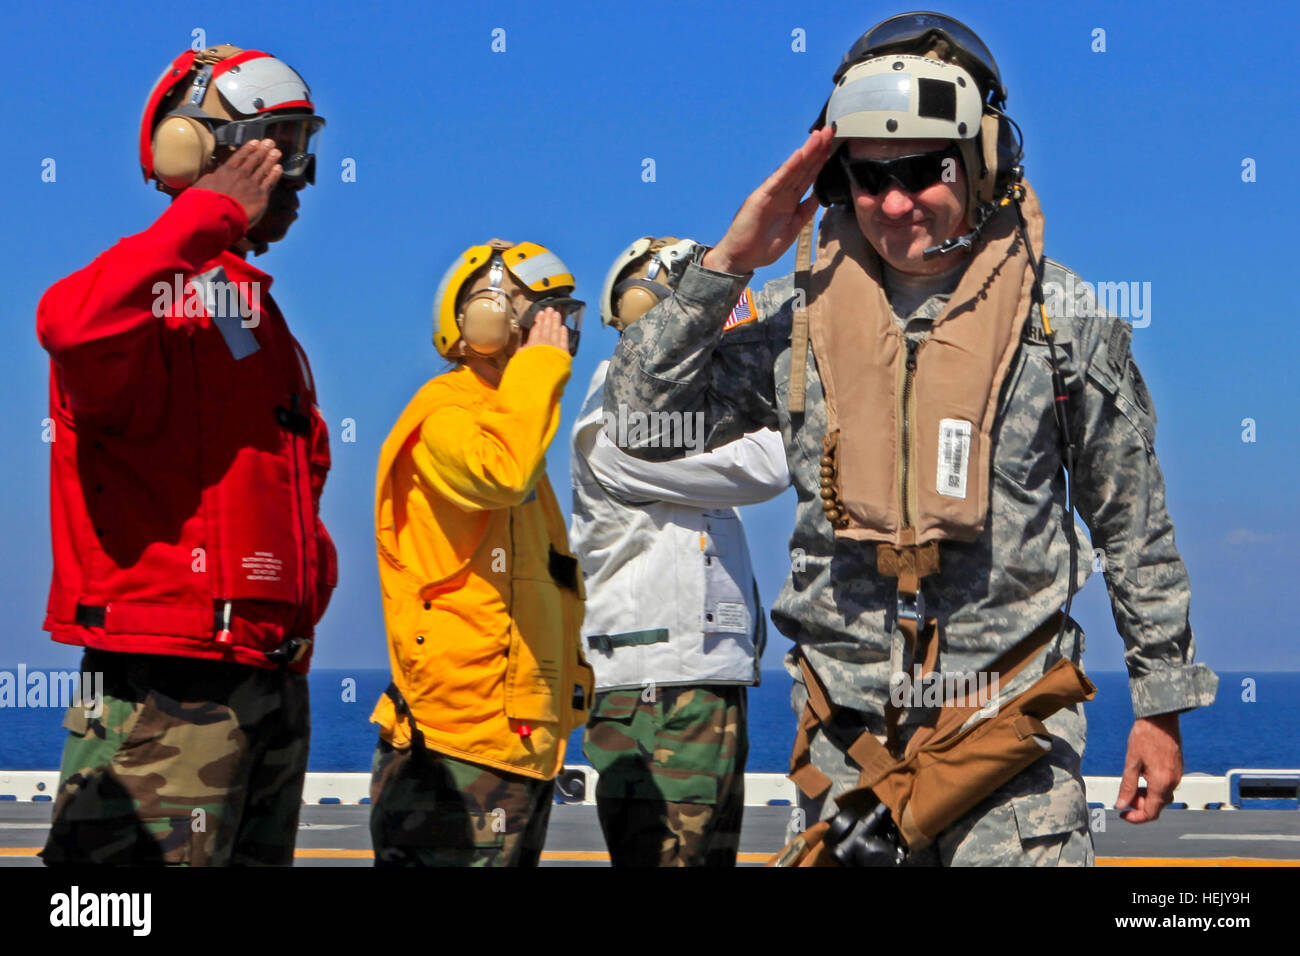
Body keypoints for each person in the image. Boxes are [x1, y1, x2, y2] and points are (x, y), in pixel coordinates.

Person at [600, 12, 1217, 866]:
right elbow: (638, 423)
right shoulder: (794, 319)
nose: (896, 203)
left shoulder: (1060, 319)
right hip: (843, 757)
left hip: (1009, 752)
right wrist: (730, 262)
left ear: (984, 162)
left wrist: (1161, 706)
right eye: (868, 176)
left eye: (926, 171)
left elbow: (1132, 523)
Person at [36, 44, 335, 865]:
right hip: (163, 683)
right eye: (276, 148)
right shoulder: (150, 302)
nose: (298, 177)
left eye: (302, 147)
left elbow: (294, 480)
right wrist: (208, 215)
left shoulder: (250, 313)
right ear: (195, 152)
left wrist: (302, 606)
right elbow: (70, 323)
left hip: (264, 677)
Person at [368, 239, 594, 866]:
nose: (560, 339)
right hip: (458, 743)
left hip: (510, 739)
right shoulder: (446, 416)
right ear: (488, 321)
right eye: (543, 319)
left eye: (563, 320)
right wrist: (539, 370)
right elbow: (504, 473)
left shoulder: (507, 418)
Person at [571, 237, 791, 866]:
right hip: (658, 687)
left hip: (701, 679)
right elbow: (765, 468)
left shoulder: (698, 407)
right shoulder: (612, 409)